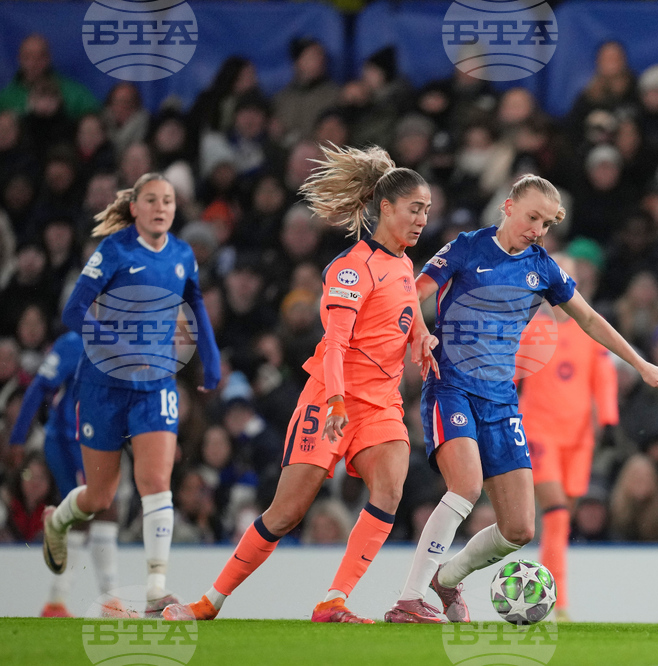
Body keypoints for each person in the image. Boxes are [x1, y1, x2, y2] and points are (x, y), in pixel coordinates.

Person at [385, 174, 658, 623]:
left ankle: (446, 580)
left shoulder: (542, 268)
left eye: (546, 222)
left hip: (501, 401)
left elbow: (591, 319)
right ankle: (409, 597)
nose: (538, 229)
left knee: (519, 528)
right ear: (508, 207)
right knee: (464, 486)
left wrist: (641, 364)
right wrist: (420, 334)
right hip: (452, 386)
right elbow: (411, 293)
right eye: (532, 217)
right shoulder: (467, 247)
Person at [163, 145, 436, 624]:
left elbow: (398, 311)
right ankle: (209, 602)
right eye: (415, 209)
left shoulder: (403, 266)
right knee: (286, 513)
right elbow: (334, 343)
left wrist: (422, 334)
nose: (421, 219)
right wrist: (334, 401)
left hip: (380, 404)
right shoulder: (353, 267)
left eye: (427, 211)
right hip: (332, 399)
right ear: (386, 208)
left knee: (391, 486)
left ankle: (334, 600)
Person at [41, 173, 222, 617]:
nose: (161, 207)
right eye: (152, 200)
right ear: (135, 208)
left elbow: (195, 302)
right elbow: (72, 310)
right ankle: (57, 522)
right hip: (103, 385)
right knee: (99, 498)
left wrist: (211, 356)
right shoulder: (114, 250)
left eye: (168, 201)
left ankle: (157, 589)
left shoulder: (182, 254)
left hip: (156, 384)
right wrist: (119, 348)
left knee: (156, 484)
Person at [518, 254, 619, 621]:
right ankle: (556, 602)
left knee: (562, 519)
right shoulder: (530, 331)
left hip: (579, 439)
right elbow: (509, 378)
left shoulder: (590, 331)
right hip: (539, 432)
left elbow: (603, 378)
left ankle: (540, 584)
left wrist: (607, 419)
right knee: (557, 512)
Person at [10, 331, 122, 618]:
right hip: (68, 441)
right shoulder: (74, 342)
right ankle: (107, 601)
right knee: (100, 506)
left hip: (97, 441)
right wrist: (18, 437)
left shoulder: (125, 341)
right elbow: (40, 387)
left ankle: (58, 602)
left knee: (97, 511)